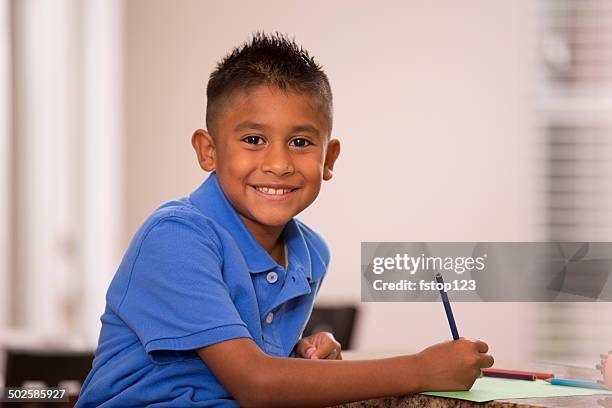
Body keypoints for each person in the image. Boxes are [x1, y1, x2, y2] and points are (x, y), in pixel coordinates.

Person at [76, 32, 493, 407]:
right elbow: (257, 383)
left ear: (328, 159)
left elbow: (252, 361)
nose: (278, 164)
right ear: (208, 151)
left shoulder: (310, 254)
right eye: (253, 140)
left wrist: (302, 355)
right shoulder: (176, 237)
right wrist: (420, 370)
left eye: (300, 142)